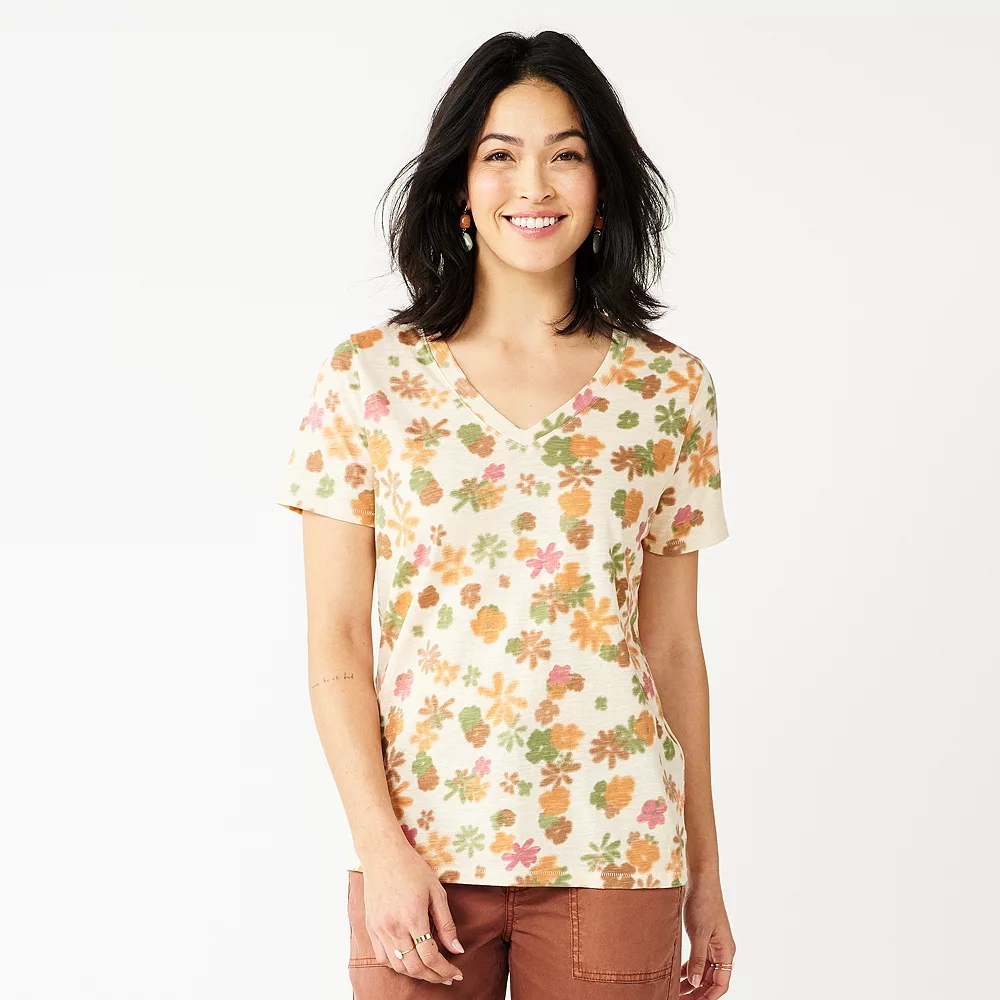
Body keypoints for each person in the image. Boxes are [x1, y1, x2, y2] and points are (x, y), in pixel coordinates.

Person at [274, 29, 736, 1000]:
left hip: (619, 849)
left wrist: (706, 872)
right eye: (500, 154)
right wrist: (379, 848)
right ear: (459, 186)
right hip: (420, 858)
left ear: (604, 188)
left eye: (566, 154)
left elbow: (673, 649)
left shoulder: (668, 390)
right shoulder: (369, 378)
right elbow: (336, 640)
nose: (534, 184)